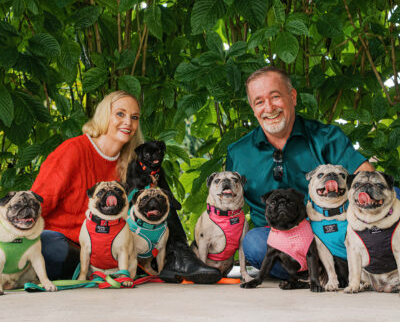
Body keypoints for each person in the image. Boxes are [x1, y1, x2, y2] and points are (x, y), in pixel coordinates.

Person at [31, 90, 220, 283]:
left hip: (116, 250)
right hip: (72, 245)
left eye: (134, 117)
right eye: (120, 114)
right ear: (105, 115)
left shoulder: (132, 163)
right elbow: (37, 203)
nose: (128, 122)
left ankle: (178, 256)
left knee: (154, 180)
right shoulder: (73, 151)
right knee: (49, 244)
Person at [225, 66, 375, 278]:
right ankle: (329, 272)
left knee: (393, 195)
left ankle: (343, 267)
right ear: (252, 107)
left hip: (333, 230)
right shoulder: (238, 152)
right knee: (254, 243)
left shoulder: (326, 137)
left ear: (292, 97)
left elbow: (366, 175)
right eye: (259, 102)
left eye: (275, 97)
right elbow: (227, 206)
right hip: (281, 240)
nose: (268, 108)